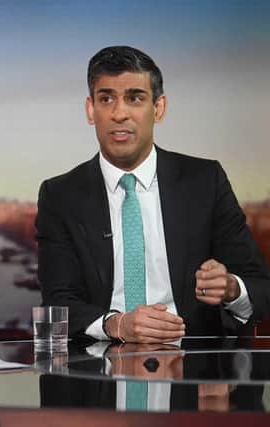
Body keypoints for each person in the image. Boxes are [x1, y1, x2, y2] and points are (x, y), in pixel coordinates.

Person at [36, 46, 270, 344]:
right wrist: (117, 325)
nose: (119, 114)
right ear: (90, 110)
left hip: (196, 372)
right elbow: (58, 302)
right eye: (106, 99)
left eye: (135, 98)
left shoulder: (205, 181)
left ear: (158, 109)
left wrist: (231, 288)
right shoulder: (60, 195)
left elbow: (261, 288)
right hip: (100, 374)